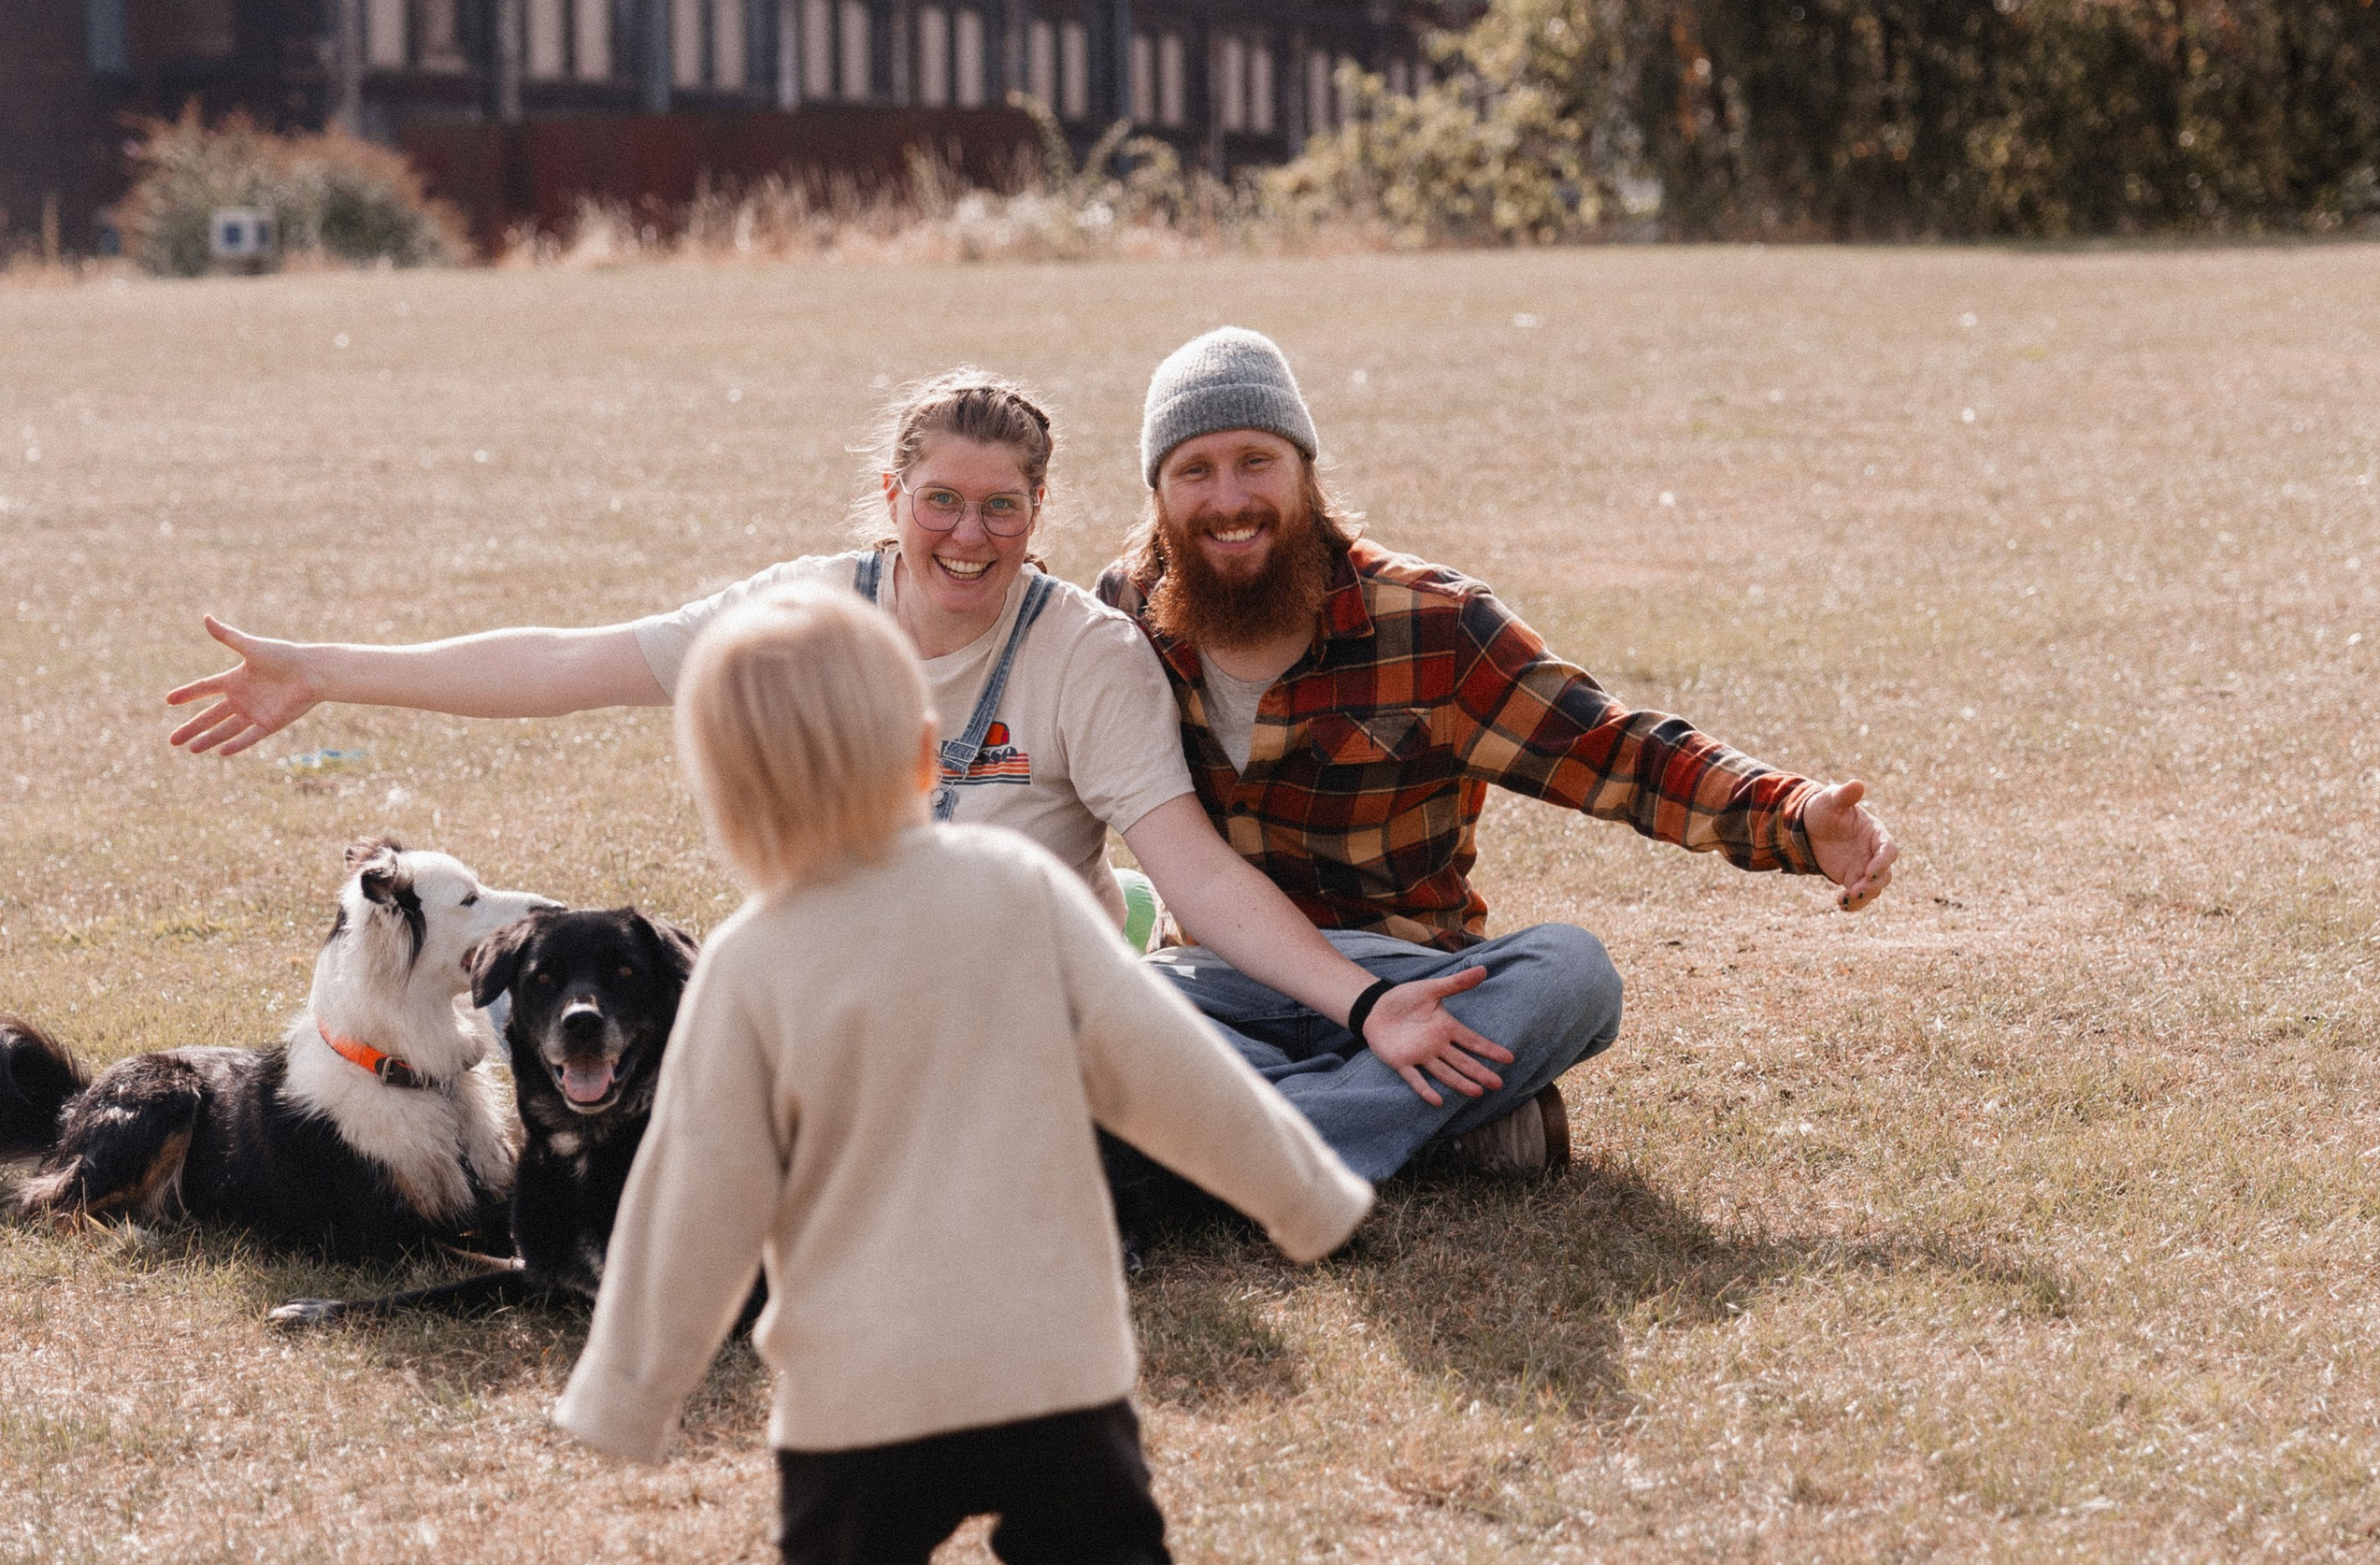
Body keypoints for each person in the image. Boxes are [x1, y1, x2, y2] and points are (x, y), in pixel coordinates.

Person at [554, 582, 1372, 1565]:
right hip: (1054, 1357)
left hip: (859, 1396)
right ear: (923, 749)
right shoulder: (1016, 888)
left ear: (728, 795)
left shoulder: (753, 965)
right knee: (1102, 1561)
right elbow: (1166, 1068)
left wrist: (630, 1392)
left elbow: (694, 1194)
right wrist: (1305, 1197)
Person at [164, 369, 1517, 1162]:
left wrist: (1360, 1007)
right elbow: (561, 665)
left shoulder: (1087, 655)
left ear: (1040, 513)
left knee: (1558, 977)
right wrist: (326, 669)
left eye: (1002, 506)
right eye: (942, 500)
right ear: (894, 498)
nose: (970, 535)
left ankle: (1258, 1115)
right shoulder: (809, 613)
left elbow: (1194, 876)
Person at [1098, 326, 1900, 1186]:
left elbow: (1615, 750)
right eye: (1195, 470)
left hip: (1413, 979)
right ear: (1158, 494)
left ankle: (1232, 1150)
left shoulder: (1435, 625)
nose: (1229, 499)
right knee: (1074, 1015)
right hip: (1220, 987)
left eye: (1255, 460)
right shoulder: (1122, 616)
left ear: (1305, 470)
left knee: (1572, 972)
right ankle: (1428, 1128)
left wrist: (1790, 816)